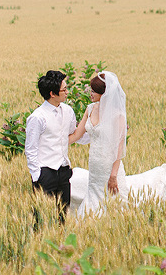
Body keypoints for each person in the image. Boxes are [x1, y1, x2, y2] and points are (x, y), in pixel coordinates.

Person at [25, 70, 88, 223]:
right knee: (41, 218)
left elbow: (72, 135)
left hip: (64, 170)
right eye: (64, 89)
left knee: (63, 215)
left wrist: (96, 133)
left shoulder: (68, 111)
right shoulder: (37, 117)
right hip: (45, 172)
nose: (67, 92)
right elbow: (30, 149)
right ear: (52, 94)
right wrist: (37, 175)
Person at [69, 71, 128, 215]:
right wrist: (55, 143)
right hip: (95, 164)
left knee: (113, 198)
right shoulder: (90, 109)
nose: (90, 93)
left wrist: (113, 175)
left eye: (94, 91)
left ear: (104, 93)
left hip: (110, 165)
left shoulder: (118, 116)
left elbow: (119, 147)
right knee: (94, 195)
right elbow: (77, 134)